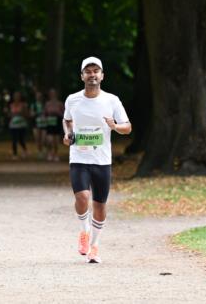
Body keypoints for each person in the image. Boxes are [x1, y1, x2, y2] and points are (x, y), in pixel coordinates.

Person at [63, 56, 131, 263]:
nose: (92, 74)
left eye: (96, 71)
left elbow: (127, 127)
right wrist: (67, 134)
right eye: (88, 71)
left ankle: (94, 246)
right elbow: (67, 120)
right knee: (82, 197)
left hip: (102, 160)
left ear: (102, 76)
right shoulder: (72, 99)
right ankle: (84, 232)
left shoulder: (112, 100)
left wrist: (114, 126)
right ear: (82, 75)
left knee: (100, 204)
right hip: (79, 158)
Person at [45, 88, 65, 162]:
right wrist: (47, 117)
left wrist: (58, 113)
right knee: (49, 140)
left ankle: (56, 154)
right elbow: (45, 114)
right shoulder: (47, 104)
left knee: (56, 141)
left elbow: (64, 114)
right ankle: (50, 153)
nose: (52, 95)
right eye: (51, 93)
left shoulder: (59, 103)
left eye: (54, 93)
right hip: (50, 123)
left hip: (57, 123)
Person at [8, 91, 28, 160]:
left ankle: (25, 151)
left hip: (22, 124)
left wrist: (20, 113)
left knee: (21, 139)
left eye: (18, 96)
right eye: (15, 96)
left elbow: (26, 114)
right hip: (13, 125)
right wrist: (12, 114)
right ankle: (15, 154)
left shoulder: (23, 105)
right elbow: (10, 114)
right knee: (14, 140)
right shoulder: (11, 105)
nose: (17, 97)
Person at [30, 90, 47, 159]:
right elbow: (31, 114)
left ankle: (43, 149)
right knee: (37, 138)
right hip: (35, 123)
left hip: (43, 123)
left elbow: (47, 113)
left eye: (40, 96)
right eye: (37, 96)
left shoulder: (44, 104)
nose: (38, 97)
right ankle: (40, 152)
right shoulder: (33, 105)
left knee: (43, 139)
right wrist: (36, 113)